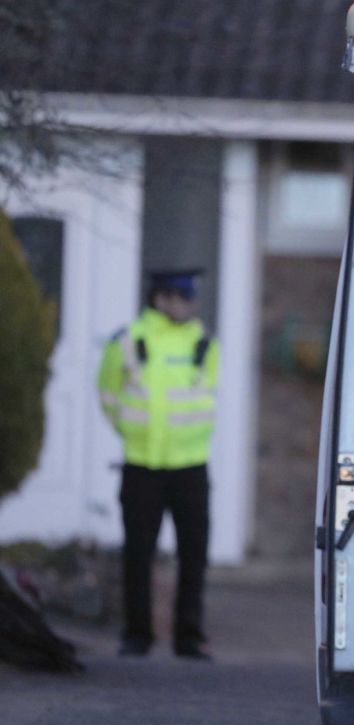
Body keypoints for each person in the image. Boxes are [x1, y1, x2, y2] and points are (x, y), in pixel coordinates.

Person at [97, 268, 219, 660]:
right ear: (160, 299)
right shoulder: (129, 341)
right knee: (138, 553)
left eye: (192, 297)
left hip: (190, 465)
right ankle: (137, 635)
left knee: (194, 555)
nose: (190, 304)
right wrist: (133, 434)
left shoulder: (204, 342)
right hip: (142, 465)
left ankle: (189, 637)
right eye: (182, 296)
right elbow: (108, 394)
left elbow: (207, 397)